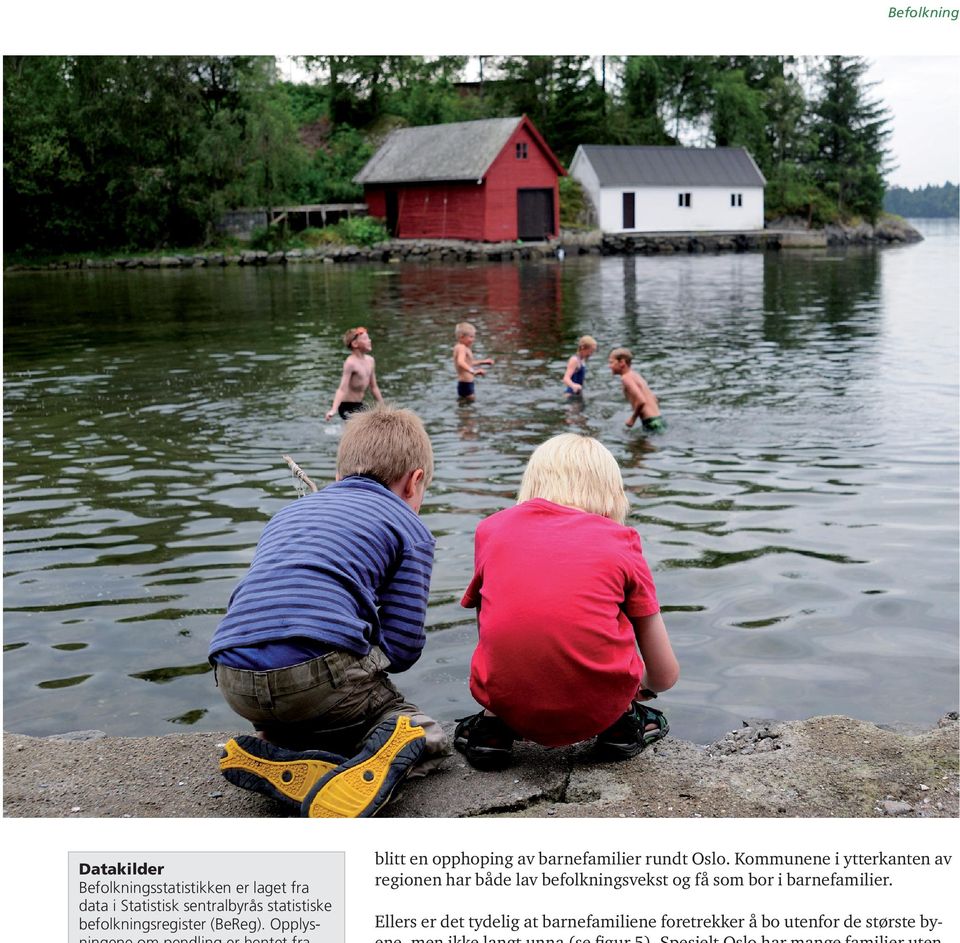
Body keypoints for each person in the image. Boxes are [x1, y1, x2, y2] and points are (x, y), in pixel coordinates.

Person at [209, 405, 448, 817]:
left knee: (310, 692)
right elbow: (404, 648)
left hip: (233, 677)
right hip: (314, 679)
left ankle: (283, 750)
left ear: (339, 476)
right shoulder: (409, 527)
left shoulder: (286, 515)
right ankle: (355, 770)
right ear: (415, 481)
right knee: (421, 732)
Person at [455, 433, 679, 770]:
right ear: (611, 493)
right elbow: (665, 674)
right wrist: (642, 686)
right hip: (597, 707)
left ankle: (491, 733)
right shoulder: (622, 541)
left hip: (507, 698)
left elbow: (491, 638)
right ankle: (620, 725)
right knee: (615, 657)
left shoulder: (491, 530)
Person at [325, 326, 383, 420]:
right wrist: (333, 409)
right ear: (355, 344)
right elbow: (342, 389)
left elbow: (374, 387)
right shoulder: (350, 363)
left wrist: (382, 406)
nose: (369, 340)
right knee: (362, 426)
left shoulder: (370, 361)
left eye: (368, 337)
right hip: (346, 406)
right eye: (365, 338)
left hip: (359, 404)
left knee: (374, 422)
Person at [608, 347, 664, 432]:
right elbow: (654, 399)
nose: (609, 366)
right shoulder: (635, 375)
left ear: (622, 362)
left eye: (611, 362)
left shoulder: (626, 378)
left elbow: (641, 401)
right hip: (658, 419)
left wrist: (632, 419)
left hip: (650, 422)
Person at [453, 321, 494, 401]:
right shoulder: (461, 348)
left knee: (467, 405)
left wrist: (483, 362)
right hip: (465, 384)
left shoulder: (461, 347)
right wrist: (473, 371)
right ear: (461, 337)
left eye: (474, 337)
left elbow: (468, 363)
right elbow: (460, 362)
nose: (473, 340)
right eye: (471, 337)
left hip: (466, 383)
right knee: (468, 407)